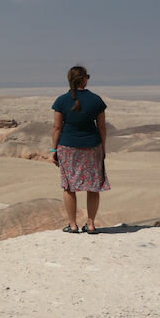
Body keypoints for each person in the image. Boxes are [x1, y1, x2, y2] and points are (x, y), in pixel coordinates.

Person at [47, 65, 109, 234]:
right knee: (93, 186)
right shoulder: (96, 100)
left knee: (69, 187)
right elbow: (102, 127)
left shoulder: (61, 101)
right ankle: (91, 224)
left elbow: (57, 128)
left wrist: (53, 151)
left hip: (68, 147)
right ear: (84, 80)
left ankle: (73, 225)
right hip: (92, 146)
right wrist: (103, 148)